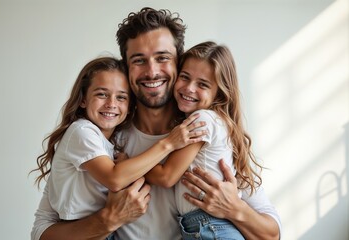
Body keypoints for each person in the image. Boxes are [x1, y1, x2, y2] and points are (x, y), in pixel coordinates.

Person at [31, 7, 281, 240]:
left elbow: (272, 233)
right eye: (139, 60)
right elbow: (42, 230)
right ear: (126, 67)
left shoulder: (202, 134)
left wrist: (235, 209)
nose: (152, 71)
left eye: (162, 58)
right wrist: (106, 220)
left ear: (178, 62)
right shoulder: (105, 141)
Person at [31, 56, 206, 238]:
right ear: (83, 99)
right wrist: (169, 143)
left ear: (130, 106)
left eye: (121, 97)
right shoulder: (81, 131)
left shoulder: (110, 145)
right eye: (101, 94)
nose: (111, 104)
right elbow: (114, 178)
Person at [144, 41, 267, 239]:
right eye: (185, 77)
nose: (189, 88)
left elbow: (166, 177)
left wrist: (127, 163)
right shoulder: (214, 122)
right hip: (204, 228)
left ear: (219, 92)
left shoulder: (202, 120)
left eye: (202, 84)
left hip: (211, 228)